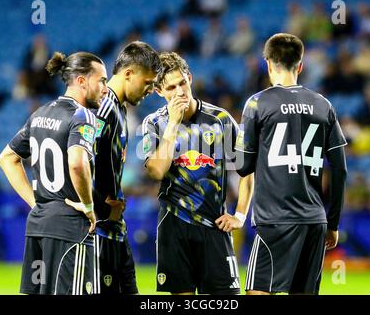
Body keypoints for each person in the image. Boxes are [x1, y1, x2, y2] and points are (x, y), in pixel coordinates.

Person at [235, 33, 348, 295]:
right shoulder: (323, 105)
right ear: (301, 65)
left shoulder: (257, 103)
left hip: (275, 219)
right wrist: (332, 224)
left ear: (268, 63)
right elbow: (340, 170)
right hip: (314, 221)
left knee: (258, 291)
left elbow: (243, 166)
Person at [0, 51, 108, 294]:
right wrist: (89, 207)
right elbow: (77, 163)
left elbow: (6, 158)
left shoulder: (40, 114)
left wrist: (35, 203)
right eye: (101, 80)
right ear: (81, 81)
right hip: (70, 228)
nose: (105, 88)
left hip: (38, 224)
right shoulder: (83, 116)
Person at [143, 52, 254, 295]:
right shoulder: (154, 123)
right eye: (171, 87)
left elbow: (247, 170)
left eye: (182, 82)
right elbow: (157, 171)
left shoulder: (221, 120)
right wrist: (173, 124)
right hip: (173, 224)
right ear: (159, 92)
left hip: (214, 225)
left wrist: (241, 215)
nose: (180, 91)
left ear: (190, 78)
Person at [65, 41, 161, 294]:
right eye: (148, 82)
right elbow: (79, 157)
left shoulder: (118, 109)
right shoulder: (103, 108)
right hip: (99, 232)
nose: (150, 89)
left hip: (114, 229)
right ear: (128, 73)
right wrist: (101, 209)